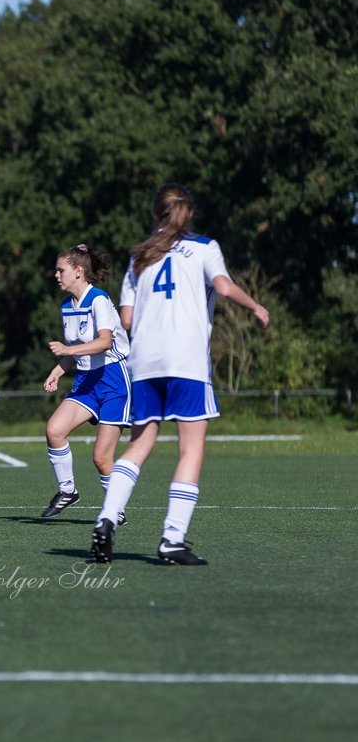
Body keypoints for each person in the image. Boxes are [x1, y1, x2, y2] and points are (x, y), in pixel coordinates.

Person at [91, 184, 269, 565]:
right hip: (186, 361)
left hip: (145, 362)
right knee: (190, 449)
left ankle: (106, 518)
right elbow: (222, 286)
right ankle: (172, 539)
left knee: (138, 444)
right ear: (189, 214)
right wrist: (255, 306)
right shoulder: (205, 247)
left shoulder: (139, 256)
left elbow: (126, 319)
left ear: (156, 214)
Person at [40, 244, 131, 523]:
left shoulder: (99, 300)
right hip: (86, 380)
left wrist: (67, 353)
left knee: (101, 458)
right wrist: (58, 370)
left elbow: (105, 342)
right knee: (54, 430)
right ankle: (67, 491)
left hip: (113, 380)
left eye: (61, 270)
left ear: (78, 272)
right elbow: (75, 348)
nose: (56, 275)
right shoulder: (67, 306)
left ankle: (115, 510)